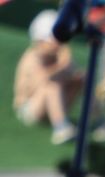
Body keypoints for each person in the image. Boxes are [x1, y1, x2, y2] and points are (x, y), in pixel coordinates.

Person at [13, 10, 85, 144]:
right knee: (52, 84)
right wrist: (63, 65)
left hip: (53, 106)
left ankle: (96, 119)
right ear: (40, 40)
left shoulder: (59, 56)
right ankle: (61, 128)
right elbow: (40, 83)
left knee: (82, 78)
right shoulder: (32, 57)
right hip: (31, 109)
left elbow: (71, 75)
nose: (59, 44)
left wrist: (73, 76)